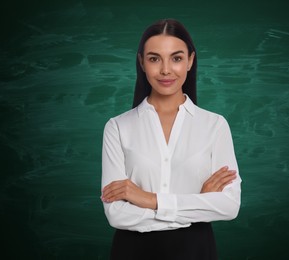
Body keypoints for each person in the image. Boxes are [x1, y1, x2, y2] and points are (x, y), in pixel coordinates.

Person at [101, 18, 241, 260]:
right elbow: (117, 214)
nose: (166, 69)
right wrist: (199, 203)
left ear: (190, 61)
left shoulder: (215, 125)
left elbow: (229, 206)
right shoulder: (117, 127)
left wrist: (148, 200)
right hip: (132, 251)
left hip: (196, 250)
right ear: (142, 63)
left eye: (176, 58)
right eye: (154, 58)